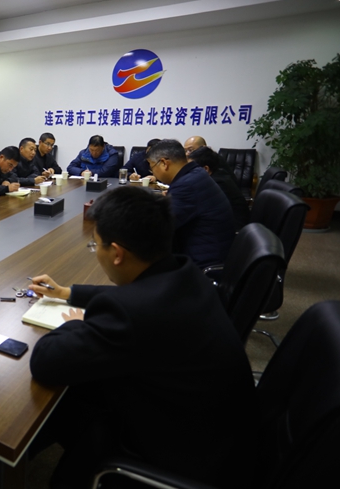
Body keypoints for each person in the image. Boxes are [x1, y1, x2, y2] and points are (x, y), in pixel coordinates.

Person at [27, 187, 257, 489]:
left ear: (117, 253)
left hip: (181, 453)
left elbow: (45, 361)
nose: (95, 251)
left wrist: (79, 324)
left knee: (63, 398)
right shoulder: (186, 274)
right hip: (223, 433)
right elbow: (137, 295)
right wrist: (67, 293)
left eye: (95, 244)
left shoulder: (130, 314)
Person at [146, 139, 235, 268]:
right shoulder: (195, 173)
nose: (152, 172)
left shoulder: (186, 185)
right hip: (209, 251)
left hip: (202, 263)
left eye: (152, 167)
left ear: (164, 163)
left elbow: (158, 228)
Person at [188, 146, 250, 231]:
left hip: (234, 230)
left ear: (205, 169)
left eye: (191, 169)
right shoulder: (219, 174)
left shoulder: (216, 184)